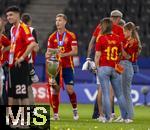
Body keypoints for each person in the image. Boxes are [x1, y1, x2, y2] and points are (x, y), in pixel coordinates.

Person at [86, 9, 124, 119]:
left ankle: (99, 114)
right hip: (111, 63)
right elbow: (121, 50)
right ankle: (109, 114)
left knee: (101, 89)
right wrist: (118, 63)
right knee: (110, 91)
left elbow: (92, 42)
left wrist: (89, 58)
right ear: (118, 18)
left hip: (99, 63)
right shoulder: (118, 30)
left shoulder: (100, 26)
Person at [45, 13, 79, 120]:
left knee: (69, 89)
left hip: (68, 66)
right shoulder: (51, 37)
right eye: (56, 20)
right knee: (55, 90)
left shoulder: (71, 35)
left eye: (60, 20)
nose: (57, 23)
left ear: (65, 22)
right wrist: (48, 55)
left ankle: (75, 110)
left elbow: (75, 51)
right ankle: (55, 115)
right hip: (55, 67)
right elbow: (48, 53)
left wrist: (62, 55)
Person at [95, 18, 128, 122]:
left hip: (104, 67)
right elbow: (121, 54)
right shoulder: (118, 38)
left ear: (104, 26)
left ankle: (108, 117)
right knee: (120, 94)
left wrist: (97, 68)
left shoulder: (100, 38)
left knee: (105, 94)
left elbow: (97, 56)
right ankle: (126, 117)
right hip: (115, 68)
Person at [5, 6, 38, 106]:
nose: (8, 17)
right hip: (12, 65)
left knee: (22, 95)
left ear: (17, 15)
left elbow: (32, 44)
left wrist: (22, 57)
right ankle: (15, 119)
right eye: (7, 16)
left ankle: (25, 119)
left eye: (11, 15)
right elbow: (13, 45)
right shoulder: (12, 29)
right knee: (13, 95)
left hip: (21, 65)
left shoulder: (24, 28)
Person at [118, 22, 141, 123]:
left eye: (124, 31)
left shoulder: (134, 42)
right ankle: (124, 114)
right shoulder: (126, 40)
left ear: (129, 31)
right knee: (121, 92)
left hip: (127, 65)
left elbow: (127, 56)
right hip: (121, 64)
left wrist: (121, 48)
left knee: (126, 92)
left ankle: (129, 116)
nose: (123, 33)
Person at [21, 13, 39, 105]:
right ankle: (31, 109)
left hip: (16, 62)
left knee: (19, 88)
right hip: (28, 63)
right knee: (27, 87)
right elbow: (36, 48)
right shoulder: (32, 30)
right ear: (30, 22)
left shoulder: (15, 29)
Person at [0, 16, 10, 105]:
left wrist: (3, 50)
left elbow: (10, 46)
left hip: (1, 66)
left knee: (2, 90)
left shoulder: (2, 37)